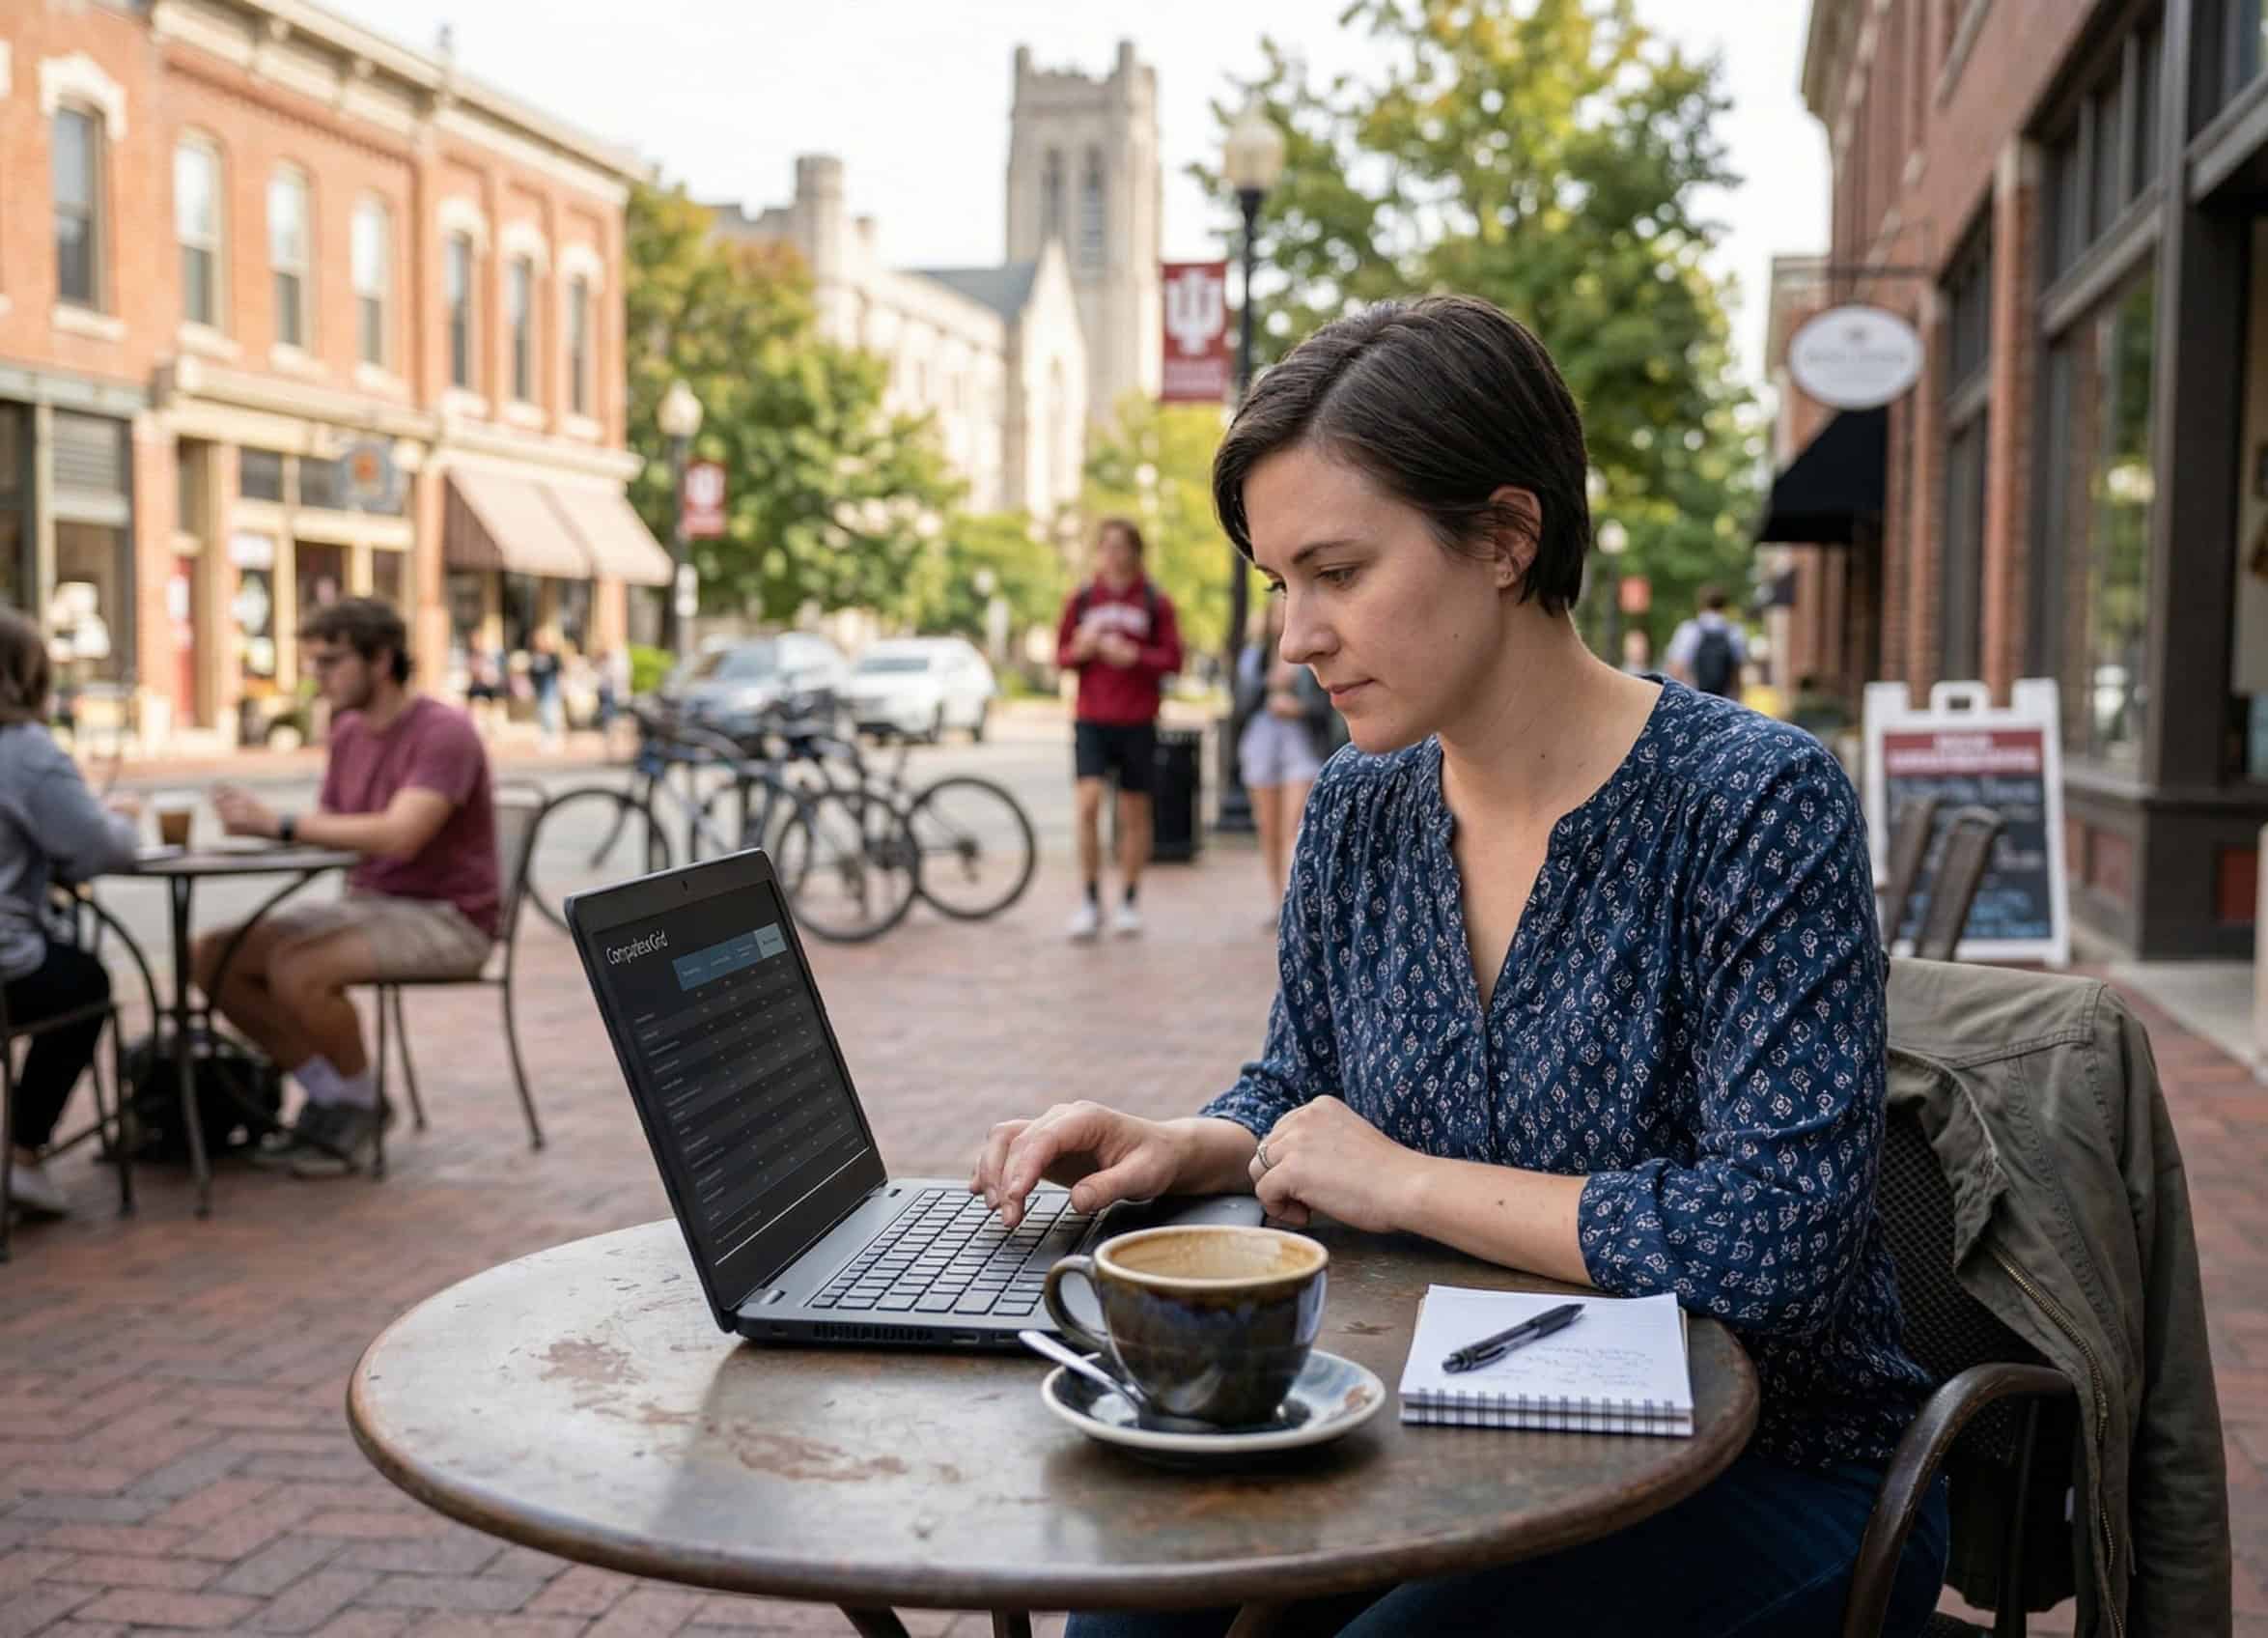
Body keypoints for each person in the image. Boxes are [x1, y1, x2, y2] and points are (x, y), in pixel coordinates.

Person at [971, 297, 1946, 1637]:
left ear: (1503, 537)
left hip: (1765, 1461)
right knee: (1124, 1611)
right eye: (1277, 587)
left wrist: (1407, 1181)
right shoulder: (1359, 810)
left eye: (1337, 572)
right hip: (1435, 1424)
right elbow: (1302, 1081)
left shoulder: (1752, 802)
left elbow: (1775, 1239)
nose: (1294, 638)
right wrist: (1188, 1142)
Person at [196, 598, 498, 1177]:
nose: (318, 677)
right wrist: (254, 831)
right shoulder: (348, 731)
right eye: (313, 663)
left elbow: (400, 836)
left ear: (381, 660)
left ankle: (359, 1108)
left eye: (331, 662)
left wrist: (277, 823)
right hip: (367, 906)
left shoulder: (444, 731)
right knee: (213, 956)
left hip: (449, 918)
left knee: (299, 967)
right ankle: (332, 1095)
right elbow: (336, 832)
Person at [0, 608, 138, 1219]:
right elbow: (96, 850)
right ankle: (23, 1154)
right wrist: (125, 818)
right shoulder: (26, 751)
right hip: (7, 967)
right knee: (85, 981)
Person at [1054, 518, 1184, 941]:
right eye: (1105, 545)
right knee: (1088, 803)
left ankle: (1129, 899)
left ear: (1135, 551)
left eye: (1121, 545)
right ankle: (1090, 900)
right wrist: (1082, 650)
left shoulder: (1153, 600)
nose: (1112, 553)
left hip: (1138, 720)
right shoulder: (1083, 598)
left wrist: (1135, 657)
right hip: (1091, 717)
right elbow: (1060, 656)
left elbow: (1173, 660)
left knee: (1133, 812)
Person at [1235, 599, 1338, 927]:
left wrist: (1298, 707)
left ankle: (1298, 901)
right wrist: (1267, 683)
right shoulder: (1255, 655)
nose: (1280, 618)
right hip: (1262, 740)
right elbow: (1239, 702)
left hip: (1301, 742)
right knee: (1268, 827)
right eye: (1275, 612)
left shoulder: (1308, 650)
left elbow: (1326, 704)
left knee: (1294, 825)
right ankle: (1278, 900)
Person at [1664, 583, 1748, 697]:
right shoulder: (1734, 632)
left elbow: (1676, 668)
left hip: (1696, 700)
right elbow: (1737, 673)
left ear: (1700, 604)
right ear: (1725, 605)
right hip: (1724, 701)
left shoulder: (1689, 630)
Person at [529, 631, 564, 751]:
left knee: (550, 713)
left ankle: (554, 738)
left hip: (550, 688)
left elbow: (558, 670)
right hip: (539, 688)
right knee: (542, 713)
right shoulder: (535, 656)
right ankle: (545, 738)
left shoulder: (553, 656)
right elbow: (532, 672)